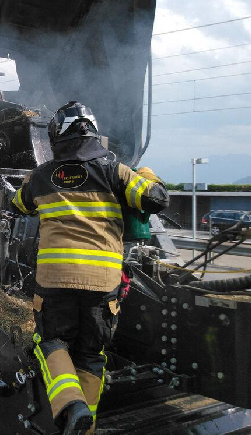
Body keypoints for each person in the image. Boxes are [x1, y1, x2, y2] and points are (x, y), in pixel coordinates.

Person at [12, 101, 169, 434]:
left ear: (56, 137)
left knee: (50, 342)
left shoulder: (41, 176)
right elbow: (156, 198)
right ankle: (84, 428)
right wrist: (146, 174)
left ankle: (71, 405)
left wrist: (35, 186)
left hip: (55, 282)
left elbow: (18, 205)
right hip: (101, 285)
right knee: (90, 354)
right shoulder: (114, 170)